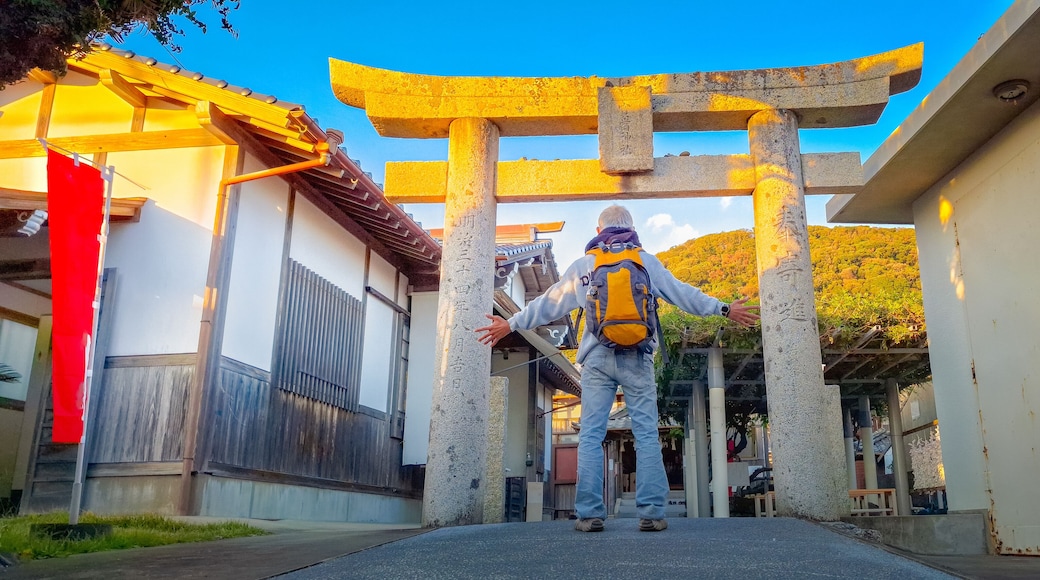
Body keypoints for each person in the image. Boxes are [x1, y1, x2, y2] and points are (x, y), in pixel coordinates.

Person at [476, 205, 759, 532]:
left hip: (596, 358)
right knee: (647, 435)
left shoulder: (585, 265)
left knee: (591, 436)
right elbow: (683, 294)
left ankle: (589, 514)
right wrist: (723, 308)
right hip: (638, 357)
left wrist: (510, 323)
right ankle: (652, 514)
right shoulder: (646, 262)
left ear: (599, 232)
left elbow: (548, 302)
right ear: (632, 229)